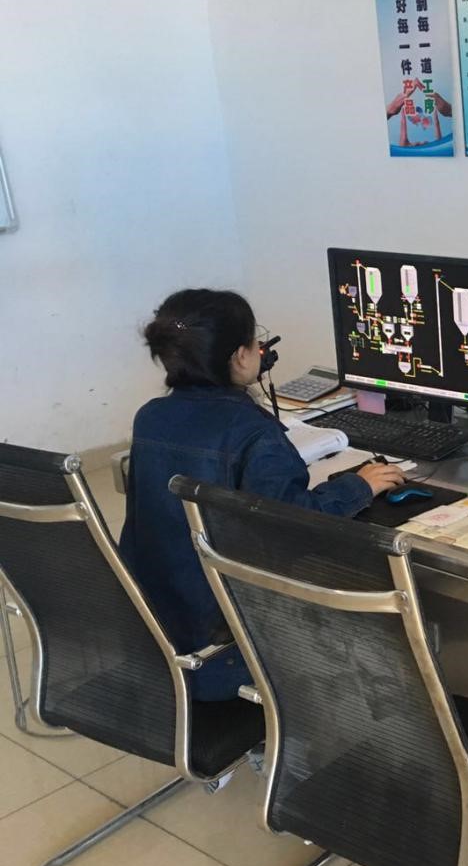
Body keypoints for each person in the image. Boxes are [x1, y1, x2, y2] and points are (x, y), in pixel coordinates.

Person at [119, 289, 405, 701]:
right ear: (241, 356)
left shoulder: (150, 418)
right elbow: (293, 525)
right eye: (255, 341)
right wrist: (359, 485)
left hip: (159, 636)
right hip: (228, 647)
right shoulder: (253, 433)